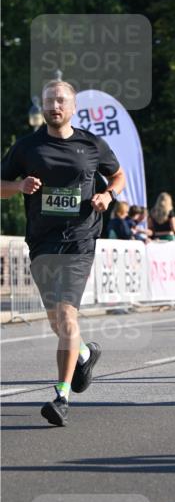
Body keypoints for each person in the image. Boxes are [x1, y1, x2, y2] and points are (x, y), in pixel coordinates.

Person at [0, 79, 126, 426]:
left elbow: (118, 175)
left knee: (68, 316)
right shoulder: (26, 147)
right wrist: (19, 186)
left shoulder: (91, 143)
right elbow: (0, 186)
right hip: (42, 241)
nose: (54, 107)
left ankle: (61, 395)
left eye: (60, 101)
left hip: (80, 240)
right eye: (48, 102)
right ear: (43, 108)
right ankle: (84, 353)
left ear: (72, 108)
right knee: (56, 319)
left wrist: (108, 196)